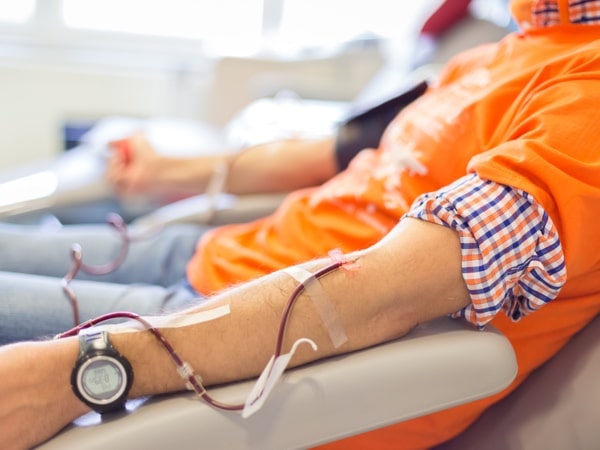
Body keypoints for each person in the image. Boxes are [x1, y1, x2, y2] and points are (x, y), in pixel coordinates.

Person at [1, 0, 599, 448]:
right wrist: (169, 169)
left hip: (237, 336)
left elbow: (383, 295)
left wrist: (83, 370)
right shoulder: (508, 49)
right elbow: (336, 154)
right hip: (218, 257)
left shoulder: (588, 100)